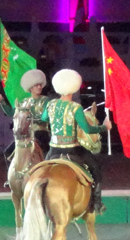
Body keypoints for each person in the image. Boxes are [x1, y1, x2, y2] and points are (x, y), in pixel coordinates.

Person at [39, 68, 112, 211]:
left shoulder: (51, 104)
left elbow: (43, 118)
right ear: (74, 87)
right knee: (95, 169)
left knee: (41, 172)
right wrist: (104, 127)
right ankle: (96, 203)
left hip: (53, 150)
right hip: (73, 150)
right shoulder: (75, 107)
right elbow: (88, 129)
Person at [0, 68, 52, 156]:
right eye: (36, 85)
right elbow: (11, 113)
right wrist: (1, 101)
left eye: (40, 85)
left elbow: (44, 118)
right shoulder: (24, 102)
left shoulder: (46, 100)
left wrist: (29, 118)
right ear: (30, 87)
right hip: (26, 135)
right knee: (8, 152)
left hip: (40, 133)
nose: (39, 87)